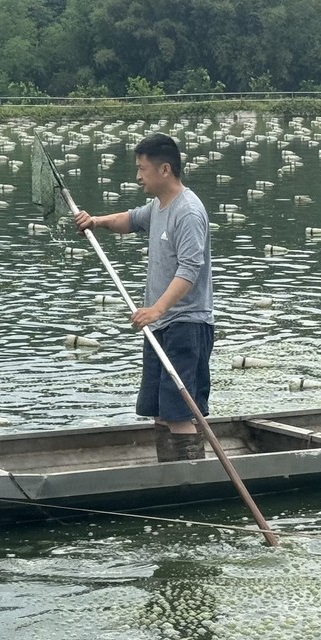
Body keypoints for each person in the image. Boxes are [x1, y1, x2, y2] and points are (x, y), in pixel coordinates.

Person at [73, 133, 214, 462]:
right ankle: (169, 474)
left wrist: (156, 309)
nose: (138, 176)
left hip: (186, 324)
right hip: (159, 324)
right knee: (159, 409)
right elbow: (131, 220)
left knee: (179, 411)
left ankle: (191, 479)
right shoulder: (159, 206)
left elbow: (190, 270)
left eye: (142, 169)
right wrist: (96, 221)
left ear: (165, 170)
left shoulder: (189, 212)